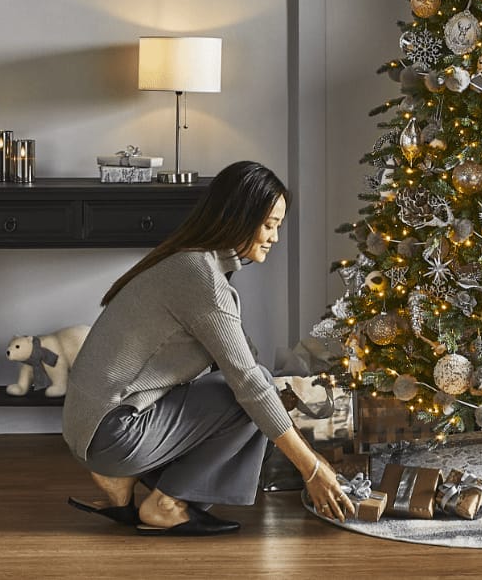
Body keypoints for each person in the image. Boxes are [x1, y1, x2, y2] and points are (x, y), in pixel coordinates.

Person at [61, 160, 352, 535]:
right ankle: (166, 504)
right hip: (111, 433)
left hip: (95, 426)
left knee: (257, 391)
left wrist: (279, 406)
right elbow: (249, 383)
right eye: (269, 225)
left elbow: (242, 360)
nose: (275, 237)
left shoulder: (191, 263)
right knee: (252, 392)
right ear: (238, 217)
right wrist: (312, 468)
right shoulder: (201, 279)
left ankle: (128, 480)